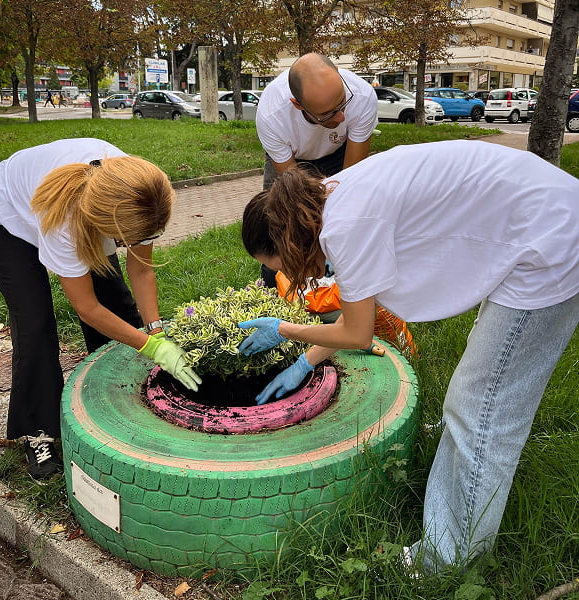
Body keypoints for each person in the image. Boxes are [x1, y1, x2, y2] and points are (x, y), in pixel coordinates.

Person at [238, 139, 579, 574]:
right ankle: (463, 453)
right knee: (481, 387)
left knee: (483, 409)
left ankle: (448, 559)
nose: (284, 273)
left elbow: (359, 332)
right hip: (537, 213)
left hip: (550, 241)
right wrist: (307, 361)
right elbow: (361, 312)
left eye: (277, 262)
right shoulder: (332, 198)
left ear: (286, 237)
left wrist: (283, 330)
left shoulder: (343, 227)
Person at [0, 138, 201, 481]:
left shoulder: (143, 193)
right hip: (1, 216)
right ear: (105, 225)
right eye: (124, 240)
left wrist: (155, 330)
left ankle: (120, 392)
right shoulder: (67, 222)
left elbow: (140, 270)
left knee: (116, 298)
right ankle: (39, 431)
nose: (129, 246)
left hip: (86, 209)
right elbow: (86, 308)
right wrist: (151, 347)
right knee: (34, 322)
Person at [255, 52, 378, 287]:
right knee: (284, 220)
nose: (342, 117)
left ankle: (342, 285)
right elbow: (297, 195)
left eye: (343, 103)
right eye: (328, 113)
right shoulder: (272, 114)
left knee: (347, 213)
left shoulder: (362, 96)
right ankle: (275, 286)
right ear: (297, 105)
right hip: (291, 158)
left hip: (339, 152)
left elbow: (350, 183)